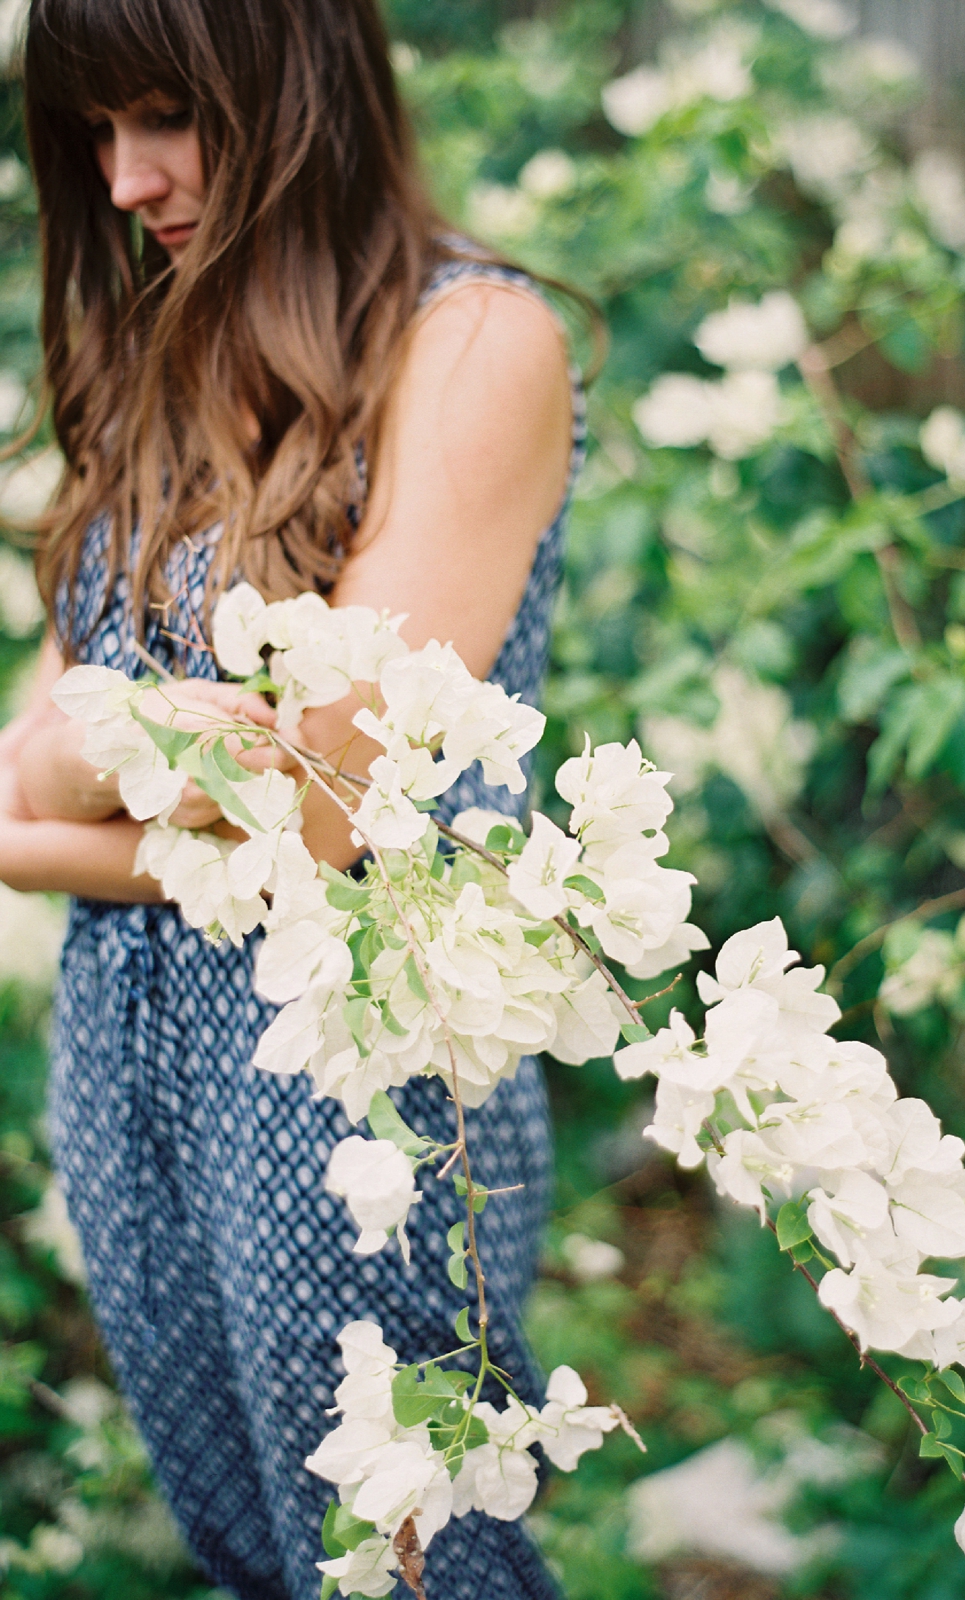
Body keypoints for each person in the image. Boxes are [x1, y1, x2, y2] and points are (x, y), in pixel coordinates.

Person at [0, 1, 585, 1596]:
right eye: (93, 135)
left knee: (410, 1569)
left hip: (352, 1086)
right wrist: (112, 761)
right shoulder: (148, 357)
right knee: (253, 1558)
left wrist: (58, 792)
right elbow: (25, 761)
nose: (124, 182)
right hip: (124, 1073)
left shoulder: (468, 345)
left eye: (164, 117)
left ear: (295, 84)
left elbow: (329, 808)